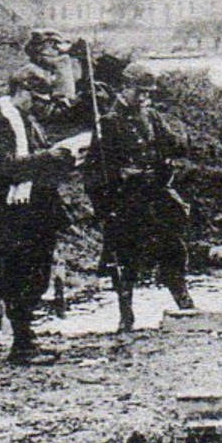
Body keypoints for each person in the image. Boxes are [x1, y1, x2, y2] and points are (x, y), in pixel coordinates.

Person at [84, 68, 196, 333]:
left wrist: (175, 144)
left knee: (172, 247)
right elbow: (94, 171)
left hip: (154, 194)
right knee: (125, 257)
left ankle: (185, 304)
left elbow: (176, 145)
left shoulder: (152, 117)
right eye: (139, 92)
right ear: (124, 88)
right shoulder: (108, 123)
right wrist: (118, 175)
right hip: (125, 200)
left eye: (148, 93)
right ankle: (126, 314)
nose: (144, 97)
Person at [0, 68, 75, 364]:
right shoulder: (1, 122)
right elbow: (3, 166)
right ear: (21, 91)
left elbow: (36, 164)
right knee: (17, 274)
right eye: (36, 99)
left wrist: (60, 160)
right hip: (13, 212)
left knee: (37, 274)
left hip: (36, 210)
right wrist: (48, 158)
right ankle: (21, 343)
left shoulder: (29, 122)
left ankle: (27, 339)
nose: (41, 106)